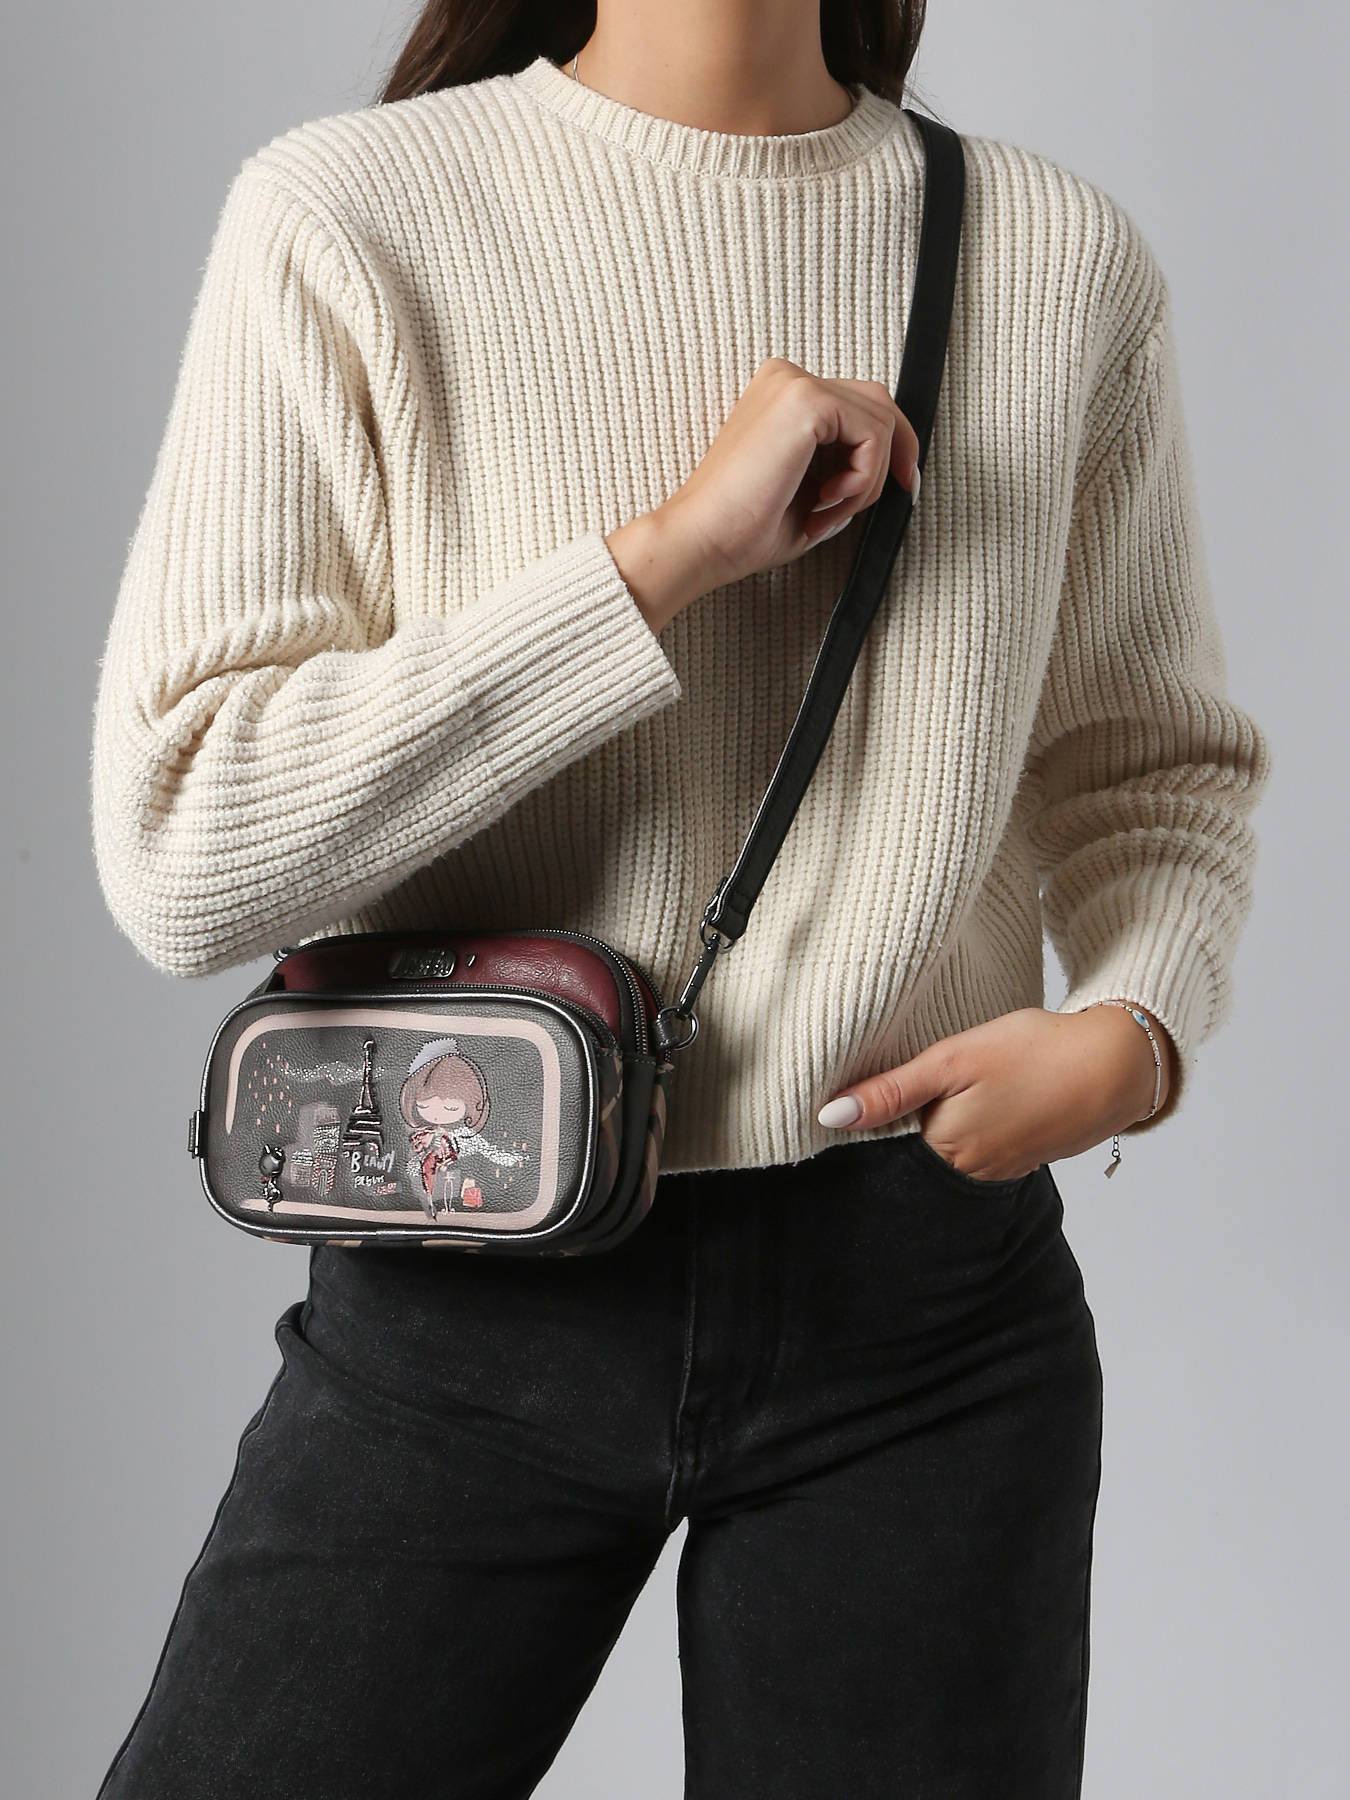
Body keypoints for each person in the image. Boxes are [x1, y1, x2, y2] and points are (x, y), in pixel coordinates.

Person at [88, 4, 1270, 1796]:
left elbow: (1151, 764)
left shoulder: (1051, 256)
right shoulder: (349, 218)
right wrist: (659, 566)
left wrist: (1135, 1029)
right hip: (473, 1267)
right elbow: (184, 844)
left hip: (922, 1307)